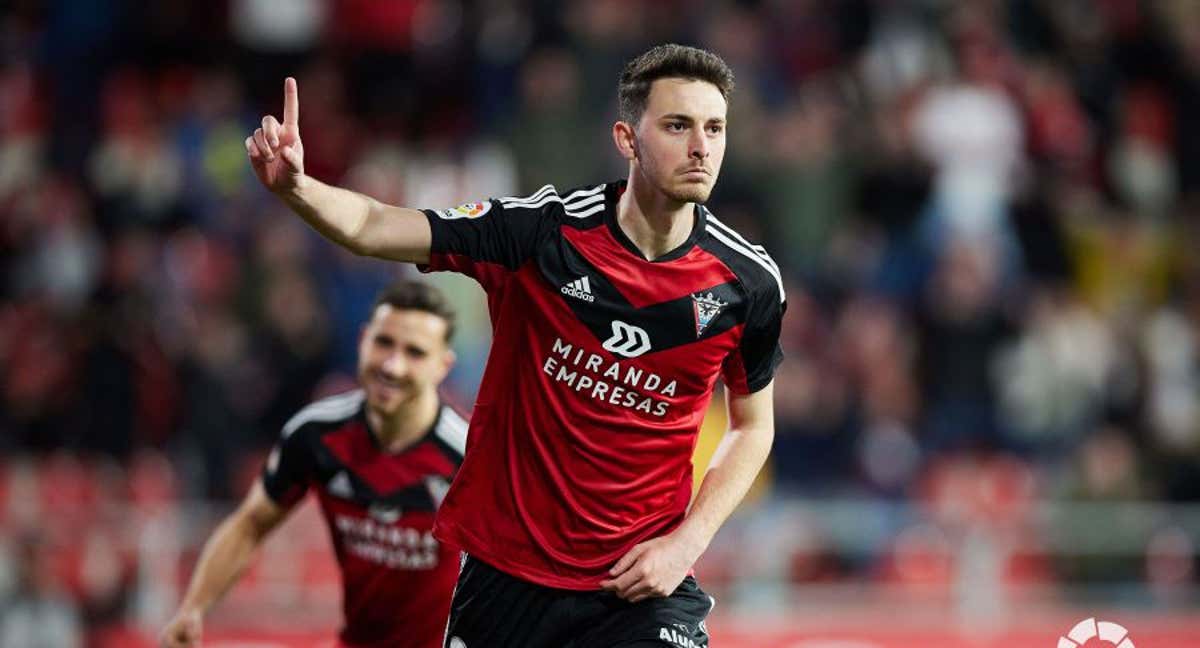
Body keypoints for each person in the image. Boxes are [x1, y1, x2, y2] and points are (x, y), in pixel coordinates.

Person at [246, 43, 783, 647]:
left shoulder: (749, 284)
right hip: (507, 581)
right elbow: (375, 227)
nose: (701, 147)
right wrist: (297, 187)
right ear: (627, 139)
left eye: (715, 128)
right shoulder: (541, 232)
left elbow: (751, 426)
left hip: (637, 587)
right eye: (678, 125)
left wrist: (688, 541)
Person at [160, 280, 468, 648]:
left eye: (415, 352)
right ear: (363, 341)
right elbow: (250, 525)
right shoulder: (316, 435)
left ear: (442, 366)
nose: (393, 365)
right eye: (384, 343)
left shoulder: (468, 458)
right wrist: (193, 609)